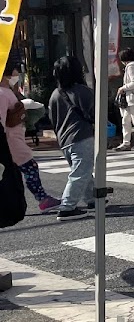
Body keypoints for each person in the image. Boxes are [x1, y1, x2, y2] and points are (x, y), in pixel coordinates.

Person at [1, 61, 58, 212]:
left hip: (12, 140)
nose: (17, 74)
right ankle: (43, 199)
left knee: (11, 175)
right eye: (15, 71)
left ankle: (38, 199)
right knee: (29, 168)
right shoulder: (3, 93)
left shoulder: (6, 91)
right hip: (12, 141)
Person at [47, 56, 95, 221]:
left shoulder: (55, 94)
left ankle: (93, 198)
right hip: (82, 136)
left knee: (82, 169)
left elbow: (52, 119)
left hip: (64, 140)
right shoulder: (82, 91)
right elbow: (96, 112)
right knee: (81, 172)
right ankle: (67, 207)